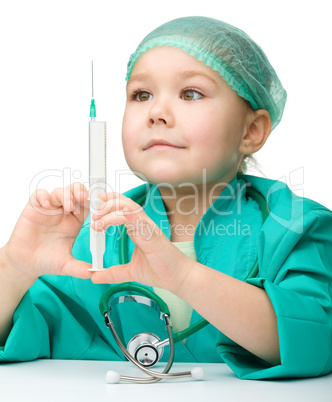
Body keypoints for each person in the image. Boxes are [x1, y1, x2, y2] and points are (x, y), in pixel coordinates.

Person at [0, 16, 331, 380]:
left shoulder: (295, 227)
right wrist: (14, 267)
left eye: (191, 93)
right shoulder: (95, 239)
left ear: (251, 130)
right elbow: (25, 333)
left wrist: (184, 275)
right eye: (141, 95)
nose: (156, 112)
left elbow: (314, 338)